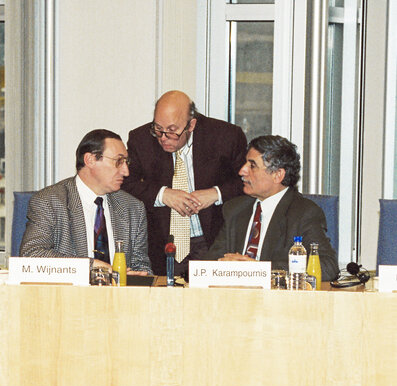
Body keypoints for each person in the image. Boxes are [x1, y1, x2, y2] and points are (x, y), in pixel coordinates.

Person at [123, 90, 247, 276]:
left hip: (213, 240)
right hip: (163, 243)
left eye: (172, 131)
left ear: (191, 124)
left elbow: (247, 182)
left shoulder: (225, 136)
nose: (163, 137)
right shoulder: (141, 140)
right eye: (157, 128)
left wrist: (215, 193)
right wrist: (163, 195)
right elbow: (125, 182)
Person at [205, 135, 338, 280]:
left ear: (277, 175)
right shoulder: (235, 209)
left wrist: (261, 270)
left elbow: (327, 266)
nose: (242, 171)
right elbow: (211, 261)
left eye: (252, 165)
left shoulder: (304, 213)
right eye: (245, 163)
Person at [19, 129, 152, 274]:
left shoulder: (133, 208)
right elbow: (31, 255)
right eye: (118, 161)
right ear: (90, 160)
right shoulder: (49, 201)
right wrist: (92, 265)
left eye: (127, 162)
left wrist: (138, 277)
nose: (126, 171)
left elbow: (141, 266)